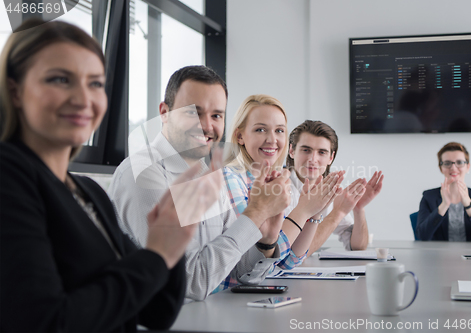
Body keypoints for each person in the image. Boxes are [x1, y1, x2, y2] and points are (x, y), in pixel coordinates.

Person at [0, 19, 221, 332]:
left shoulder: (87, 192)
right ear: (16, 90)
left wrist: (172, 237)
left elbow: (157, 310)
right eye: (60, 79)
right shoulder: (9, 178)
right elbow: (46, 322)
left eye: (95, 84)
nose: (83, 98)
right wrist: (158, 254)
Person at [108, 66, 291, 301]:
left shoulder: (208, 176)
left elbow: (238, 274)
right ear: (164, 112)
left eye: (216, 115)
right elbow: (190, 284)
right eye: (193, 113)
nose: (206, 126)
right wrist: (255, 215)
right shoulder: (144, 175)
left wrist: (265, 241)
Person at [224, 96, 342, 269]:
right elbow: (254, 264)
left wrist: (314, 215)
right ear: (240, 136)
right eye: (260, 130)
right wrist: (303, 211)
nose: (272, 140)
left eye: (279, 131)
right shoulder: (231, 180)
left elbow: (288, 261)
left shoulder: (273, 181)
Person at [286, 120, 384, 253]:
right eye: (306, 150)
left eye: (322, 152)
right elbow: (292, 253)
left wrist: (358, 208)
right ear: (291, 150)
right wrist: (338, 212)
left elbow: (357, 246)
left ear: (331, 158)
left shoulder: (328, 190)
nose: (313, 159)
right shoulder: (279, 188)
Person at [416, 142, 471, 242]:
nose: (453, 167)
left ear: (468, 167)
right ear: (441, 168)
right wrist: (444, 205)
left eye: (460, 162)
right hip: (438, 256)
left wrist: (469, 205)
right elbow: (422, 236)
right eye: (447, 163)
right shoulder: (428, 197)